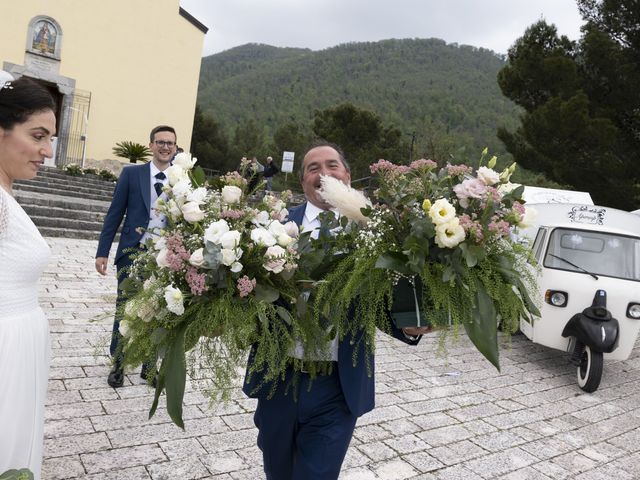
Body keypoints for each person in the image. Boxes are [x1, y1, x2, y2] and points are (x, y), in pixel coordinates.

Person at [243, 142, 431, 479]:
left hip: (337, 384)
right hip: (278, 379)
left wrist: (407, 326)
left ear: (347, 175)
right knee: (277, 470)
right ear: (303, 182)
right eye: (313, 168)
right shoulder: (271, 226)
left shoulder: (376, 231)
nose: (324, 173)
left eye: (332, 165)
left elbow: (383, 299)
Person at [0, 73, 56, 479]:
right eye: (38, 136)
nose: (47, 150)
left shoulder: (7, 193)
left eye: (51, 138)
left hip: (18, 349)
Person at [95, 125, 177, 387]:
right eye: (160, 142)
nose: (165, 147)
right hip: (132, 252)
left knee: (158, 311)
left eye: (170, 143)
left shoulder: (182, 179)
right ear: (151, 145)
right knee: (126, 309)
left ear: (175, 148)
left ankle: (150, 366)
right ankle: (119, 362)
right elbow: (114, 213)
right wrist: (102, 251)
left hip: (165, 258)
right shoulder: (132, 174)